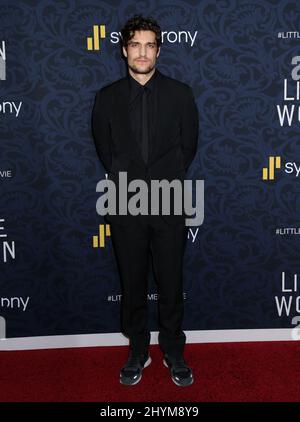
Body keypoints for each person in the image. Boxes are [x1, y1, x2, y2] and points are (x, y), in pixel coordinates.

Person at [92, 15, 199, 387]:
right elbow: (104, 150)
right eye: (135, 44)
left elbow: (189, 147)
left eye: (149, 44)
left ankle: (173, 350)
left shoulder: (180, 93)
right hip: (124, 202)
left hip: (169, 202)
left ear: (158, 50)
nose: (142, 52)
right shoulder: (106, 97)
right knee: (132, 281)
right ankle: (138, 350)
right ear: (124, 51)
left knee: (171, 281)